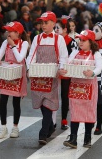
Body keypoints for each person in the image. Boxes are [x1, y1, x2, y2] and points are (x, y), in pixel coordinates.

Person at [26, 11, 68, 145]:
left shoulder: (59, 39)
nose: (43, 25)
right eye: (42, 23)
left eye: (46, 22)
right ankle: (49, 126)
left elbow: (63, 56)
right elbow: (31, 55)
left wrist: (60, 68)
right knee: (42, 104)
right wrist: (29, 69)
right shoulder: (37, 38)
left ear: (53, 23)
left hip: (52, 76)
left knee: (48, 103)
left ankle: (43, 134)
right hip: (38, 76)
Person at [62, 30, 102, 149]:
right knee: (75, 110)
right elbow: (67, 63)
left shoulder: (96, 54)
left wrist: (93, 72)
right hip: (76, 85)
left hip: (89, 86)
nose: (81, 42)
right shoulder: (74, 52)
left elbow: (99, 67)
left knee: (89, 111)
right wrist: (63, 70)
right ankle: (73, 138)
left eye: (84, 40)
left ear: (90, 42)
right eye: (80, 40)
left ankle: (87, 138)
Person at [0, 22, 29, 139]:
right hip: (7, 73)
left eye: (11, 31)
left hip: (18, 75)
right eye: (8, 31)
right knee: (2, 100)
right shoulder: (5, 42)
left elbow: (20, 58)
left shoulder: (24, 43)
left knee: (16, 102)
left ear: (17, 33)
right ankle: (3, 127)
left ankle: (15, 127)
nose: (8, 33)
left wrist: (13, 46)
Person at [53, 17, 78, 130]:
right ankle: (52, 120)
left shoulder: (72, 42)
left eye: (58, 28)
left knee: (64, 95)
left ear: (65, 30)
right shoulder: (53, 40)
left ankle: (63, 119)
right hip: (54, 71)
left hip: (66, 72)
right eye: (55, 28)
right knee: (53, 95)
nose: (56, 30)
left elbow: (75, 57)